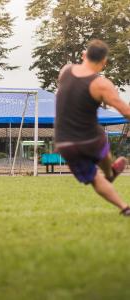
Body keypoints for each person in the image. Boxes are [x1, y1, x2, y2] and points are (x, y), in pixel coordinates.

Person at [55, 39, 130, 216]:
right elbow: (125, 111)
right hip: (91, 139)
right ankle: (110, 172)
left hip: (65, 142)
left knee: (95, 178)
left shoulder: (65, 71)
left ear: (84, 55)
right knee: (100, 141)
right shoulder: (102, 84)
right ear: (104, 62)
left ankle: (125, 208)